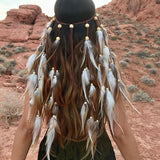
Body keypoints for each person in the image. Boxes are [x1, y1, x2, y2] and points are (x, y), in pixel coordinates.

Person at [11, 0, 141, 159]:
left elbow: (27, 127)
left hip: (54, 154)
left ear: (54, 28)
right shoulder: (105, 67)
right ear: (95, 28)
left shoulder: (43, 64)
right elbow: (120, 131)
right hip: (97, 154)